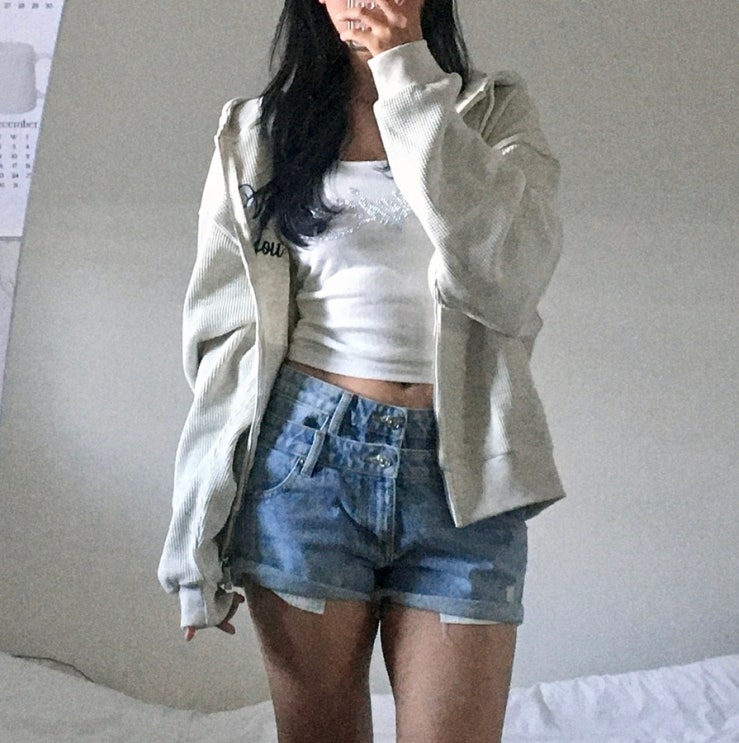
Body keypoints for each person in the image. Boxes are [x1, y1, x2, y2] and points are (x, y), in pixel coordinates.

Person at [158, 0, 565, 740]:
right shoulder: (258, 132)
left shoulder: (491, 112)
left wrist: (405, 73)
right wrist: (196, 529)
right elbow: (224, 341)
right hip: (304, 464)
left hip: (465, 472)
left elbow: (508, 277)